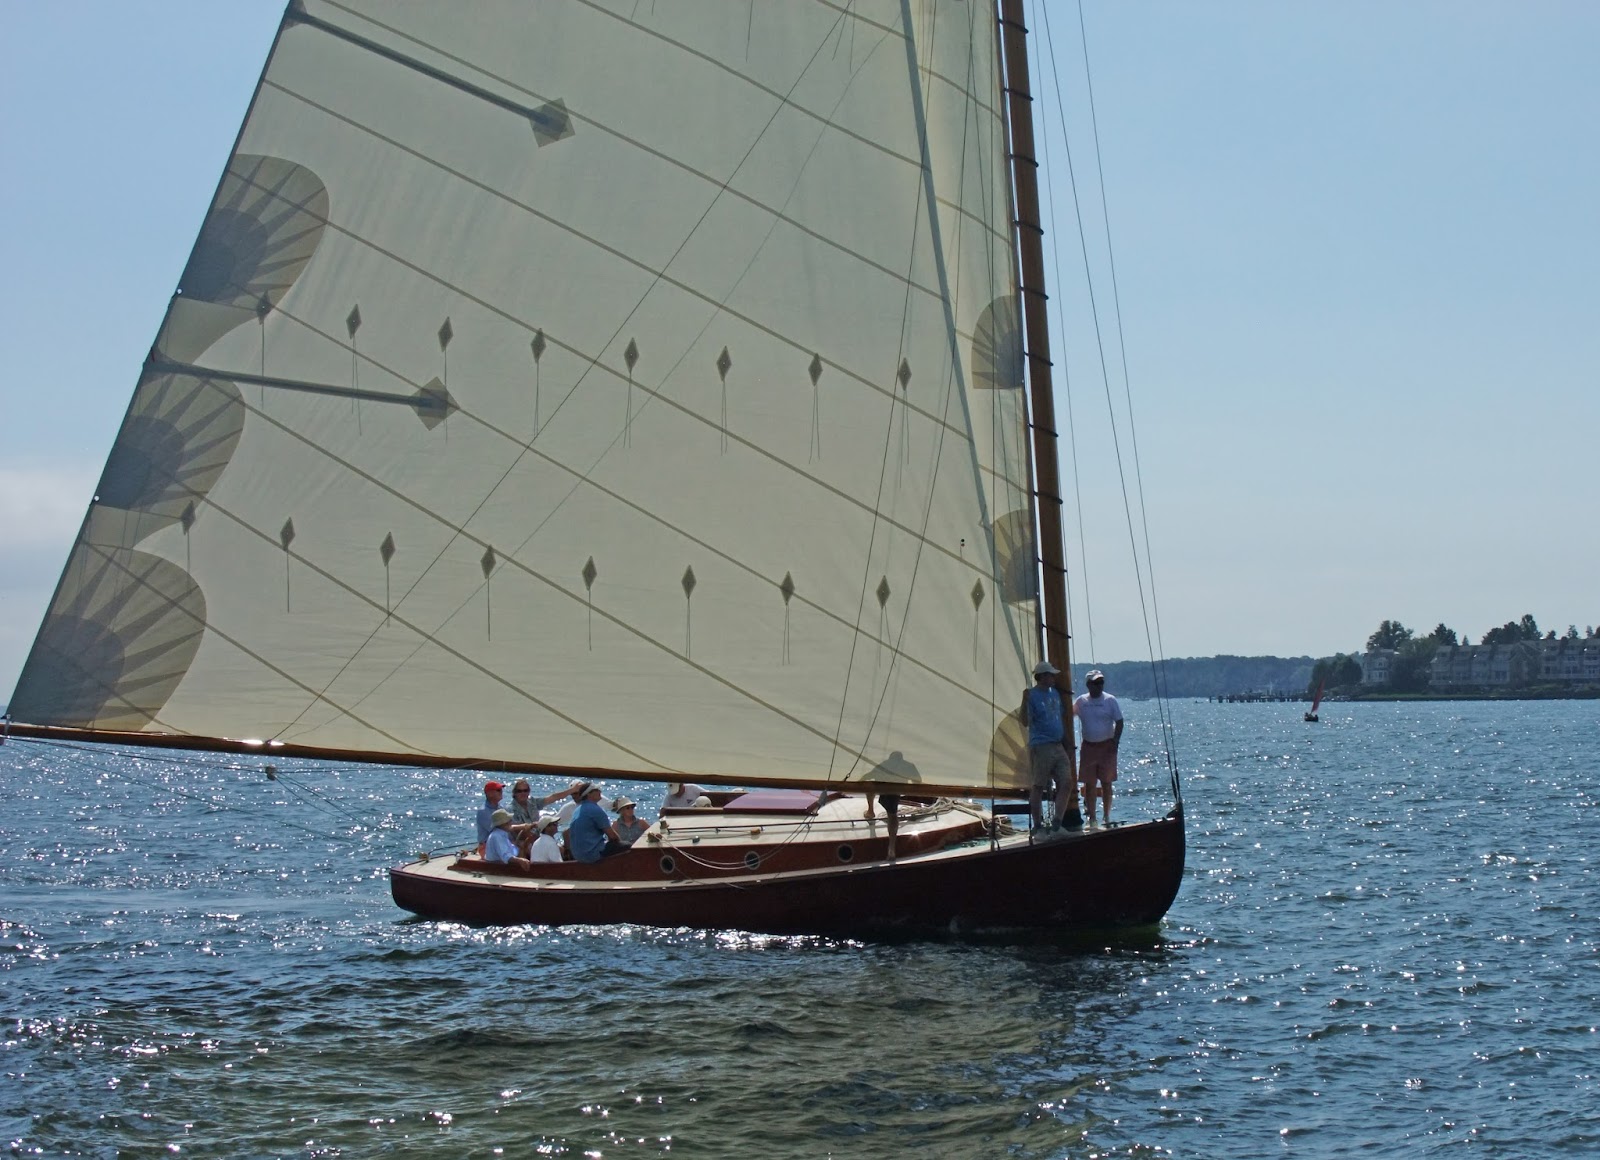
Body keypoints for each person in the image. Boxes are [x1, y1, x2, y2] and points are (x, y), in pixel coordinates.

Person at [1019, 661, 1083, 830]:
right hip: (1041, 745)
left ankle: (1057, 823)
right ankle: (1038, 826)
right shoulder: (1032, 695)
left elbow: (1059, 719)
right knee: (1039, 785)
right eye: (1051, 675)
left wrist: (1067, 742)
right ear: (1042, 677)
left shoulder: (1054, 694)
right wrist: (1024, 701)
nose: (1054, 678)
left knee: (1067, 782)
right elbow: (1024, 721)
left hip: (1057, 745)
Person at [1074, 669, 1124, 826]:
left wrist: (1115, 742)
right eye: (1096, 683)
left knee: (1106, 783)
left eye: (1101, 682)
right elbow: (1067, 715)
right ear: (1088, 685)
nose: (1099, 685)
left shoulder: (1110, 700)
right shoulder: (1081, 701)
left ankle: (1106, 816)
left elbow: (1119, 721)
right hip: (1088, 747)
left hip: (1106, 747)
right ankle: (1092, 819)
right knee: (1089, 784)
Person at [568, 784, 626, 863]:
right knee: (627, 846)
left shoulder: (577, 810)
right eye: (596, 790)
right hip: (591, 854)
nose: (600, 791)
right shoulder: (595, 810)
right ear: (588, 794)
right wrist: (621, 843)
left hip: (578, 855)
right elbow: (612, 836)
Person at [475, 781, 506, 850]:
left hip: (500, 842)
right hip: (486, 846)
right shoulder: (483, 811)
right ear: (489, 794)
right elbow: (499, 829)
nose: (501, 792)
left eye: (501, 790)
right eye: (498, 790)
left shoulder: (501, 807)